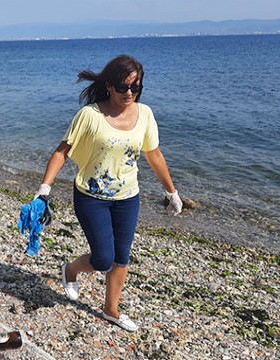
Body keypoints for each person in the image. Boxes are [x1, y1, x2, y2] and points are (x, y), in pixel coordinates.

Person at [34, 55, 183, 332]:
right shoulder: (90, 115)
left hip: (128, 197)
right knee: (103, 258)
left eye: (135, 87)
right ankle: (70, 270)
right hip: (91, 197)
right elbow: (62, 152)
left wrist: (171, 192)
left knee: (122, 257)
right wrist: (44, 189)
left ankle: (110, 310)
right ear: (109, 86)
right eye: (123, 87)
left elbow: (154, 154)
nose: (129, 93)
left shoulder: (145, 114)